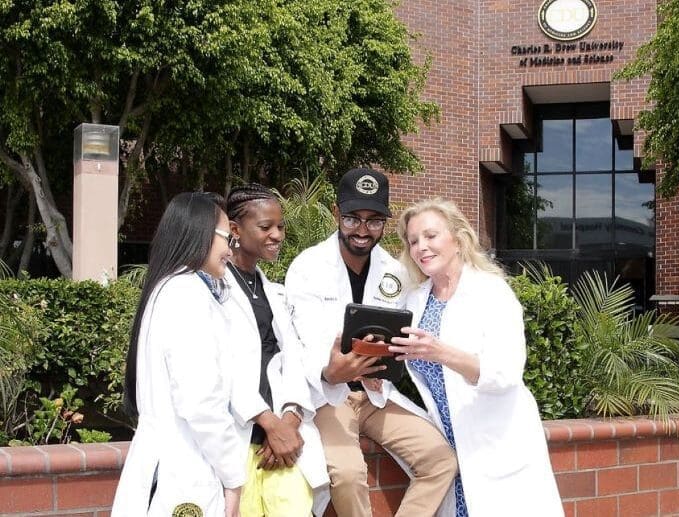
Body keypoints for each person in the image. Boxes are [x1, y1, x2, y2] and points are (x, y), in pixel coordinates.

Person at [285, 168, 458, 516]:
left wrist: (388, 363)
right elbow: (297, 339)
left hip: (375, 395)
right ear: (337, 214)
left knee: (441, 460)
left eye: (374, 220)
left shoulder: (394, 271)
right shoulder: (307, 267)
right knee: (347, 475)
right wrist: (328, 370)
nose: (363, 230)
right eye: (353, 218)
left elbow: (402, 334)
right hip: (327, 397)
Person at [388, 198, 565, 517]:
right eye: (413, 241)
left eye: (431, 236)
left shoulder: (491, 291)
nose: (421, 247)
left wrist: (441, 353)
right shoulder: (415, 300)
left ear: (457, 238)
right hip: (449, 443)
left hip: (497, 440)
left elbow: (506, 373)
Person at [113, 192, 247, 517]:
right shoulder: (187, 294)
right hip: (183, 477)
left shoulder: (170, 288)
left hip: (173, 467)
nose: (231, 249)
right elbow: (201, 401)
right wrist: (234, 477)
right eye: (227, 236)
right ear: (198, 232)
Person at [223, 183, 328, 516]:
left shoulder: (273, 291)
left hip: (283, 441)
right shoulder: (216, 288)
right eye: (266, 227)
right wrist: (268, 423)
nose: (277, 235)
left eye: (280, 226)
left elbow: (293, 358)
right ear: (235, 230)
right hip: (242, 433)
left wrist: (291, 418)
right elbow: (221, 366)